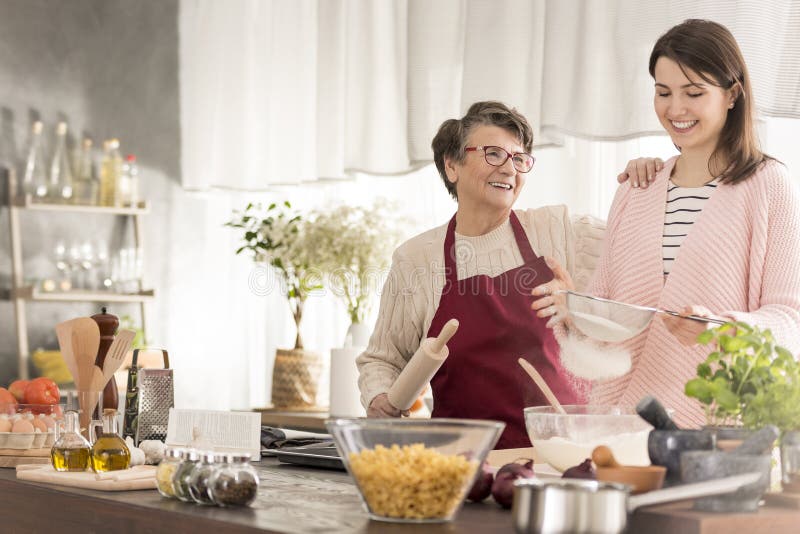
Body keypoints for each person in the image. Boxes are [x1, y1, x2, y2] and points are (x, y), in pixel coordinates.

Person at [535, 19, 800, 428]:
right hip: (623, 424)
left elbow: (789, 320)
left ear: (732, 94)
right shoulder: (636, 188)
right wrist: (574, 309)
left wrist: (723, 329)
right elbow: (608, 321)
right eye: (663, 92)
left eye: (694, 93)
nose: (675, 109)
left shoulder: (768, 184)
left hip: (717, 428)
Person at [356, 101, 590, 449]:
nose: (509, 169)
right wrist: (380, 396)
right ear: (452, 165)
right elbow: (383, 359)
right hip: (461, 461)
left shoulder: (559, 229)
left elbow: (637, 284)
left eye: (519, 159)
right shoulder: (416, 259)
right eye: (493, 154)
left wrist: (579, 308)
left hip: (558, 457)